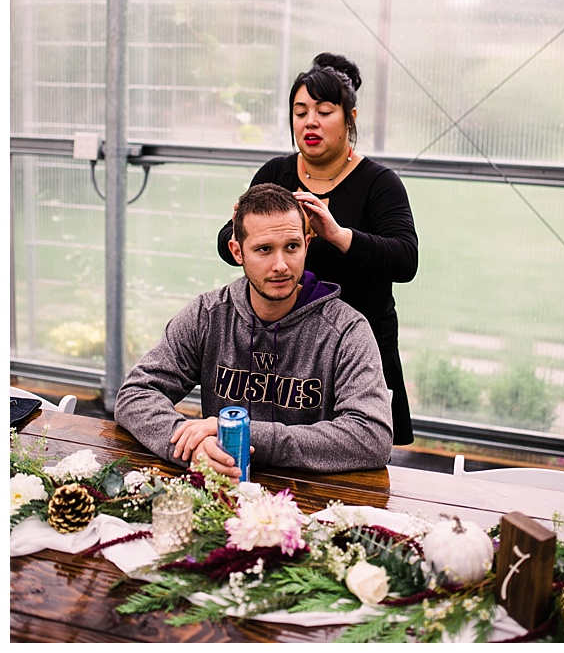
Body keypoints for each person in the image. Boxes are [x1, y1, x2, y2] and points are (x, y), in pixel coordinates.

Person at [115, 183, 393, 477]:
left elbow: (372, 436)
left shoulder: (346, 330)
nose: (281, 265)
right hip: (220, 491)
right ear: (237, 251)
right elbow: (135, 393)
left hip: (312, 501)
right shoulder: (207, 315)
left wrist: (247, 434)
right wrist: (191, 446)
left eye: (292, 247)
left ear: (307, 246)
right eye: (263, 250)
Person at [215, 53, 419, 445]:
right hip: (284, 350)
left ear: (350, 118)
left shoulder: (379, 183)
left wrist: (337, 234)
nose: (310, 122)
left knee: (353, 452)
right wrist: (242, 231)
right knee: (279, 451)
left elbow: (405, 259)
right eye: (300, 111)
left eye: (324, 111)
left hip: (356, 349)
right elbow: (230, 243)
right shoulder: (276, 172)